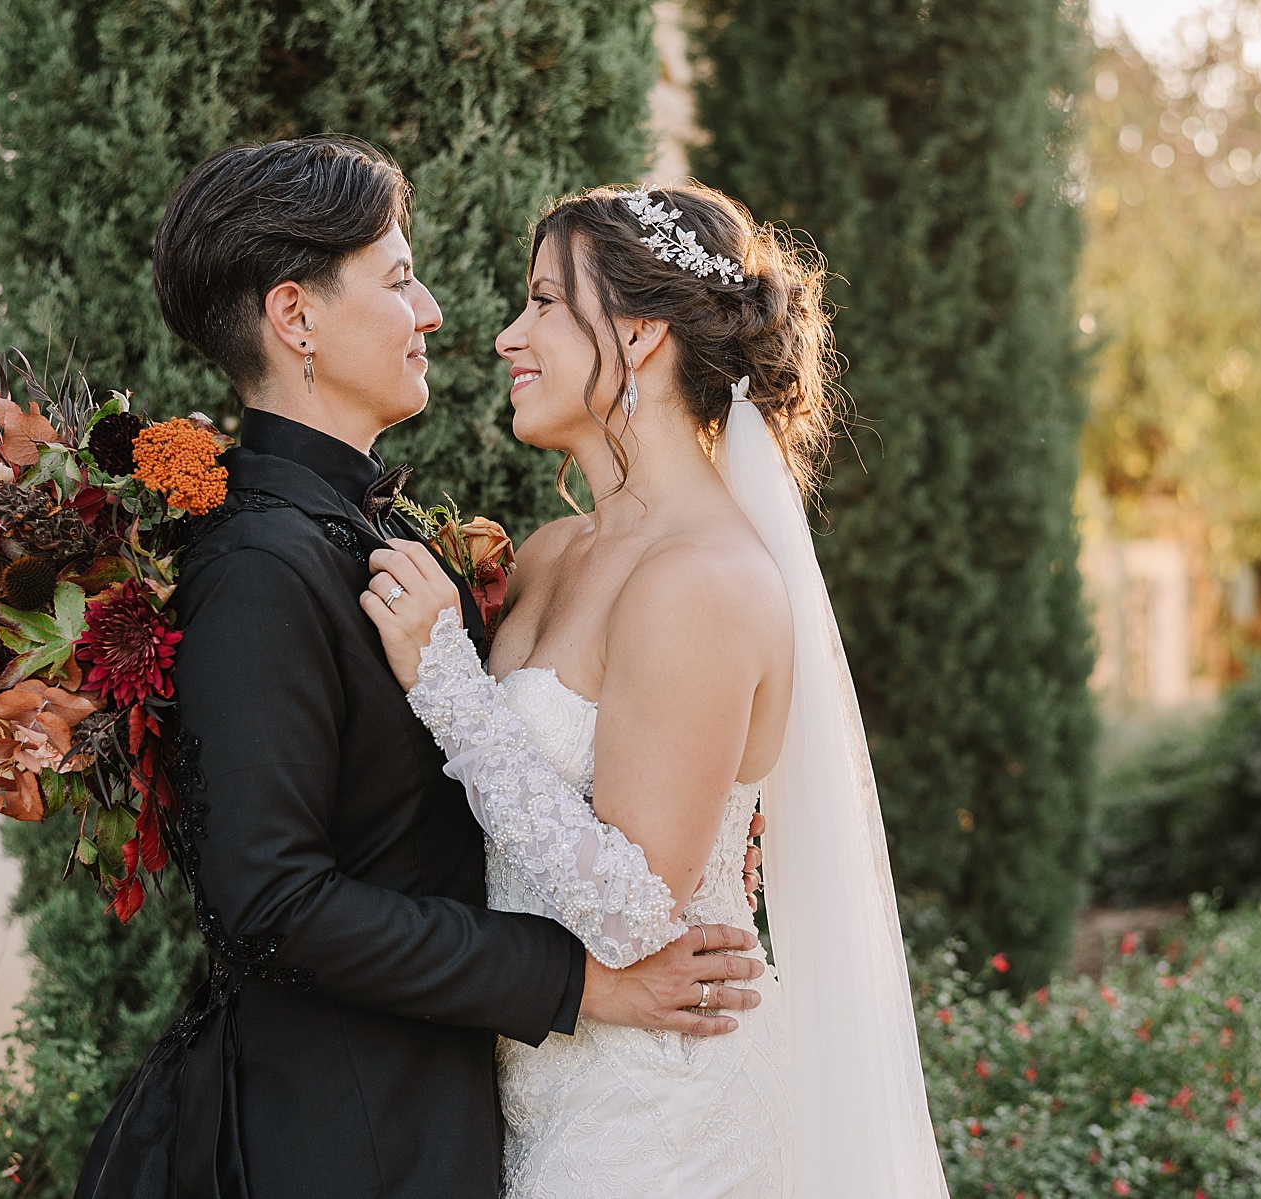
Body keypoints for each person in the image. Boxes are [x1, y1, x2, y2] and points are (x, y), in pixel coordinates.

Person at [74, 138, 765, 1199]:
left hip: (489, 1113)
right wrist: (577, 980)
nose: (439, 313)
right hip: (345, 1139)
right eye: (400, 280)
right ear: (296, 317)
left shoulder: (381, 537)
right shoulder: (259, 562)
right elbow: (270, 902)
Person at [363, 182, 948, 1197]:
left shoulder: (705, 579)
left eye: (545, 302)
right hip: (525, 1082)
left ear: (638, 335)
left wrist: (446, 679)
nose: (508, 336)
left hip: (661, 1119)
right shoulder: (551, 553)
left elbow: (633, 911)